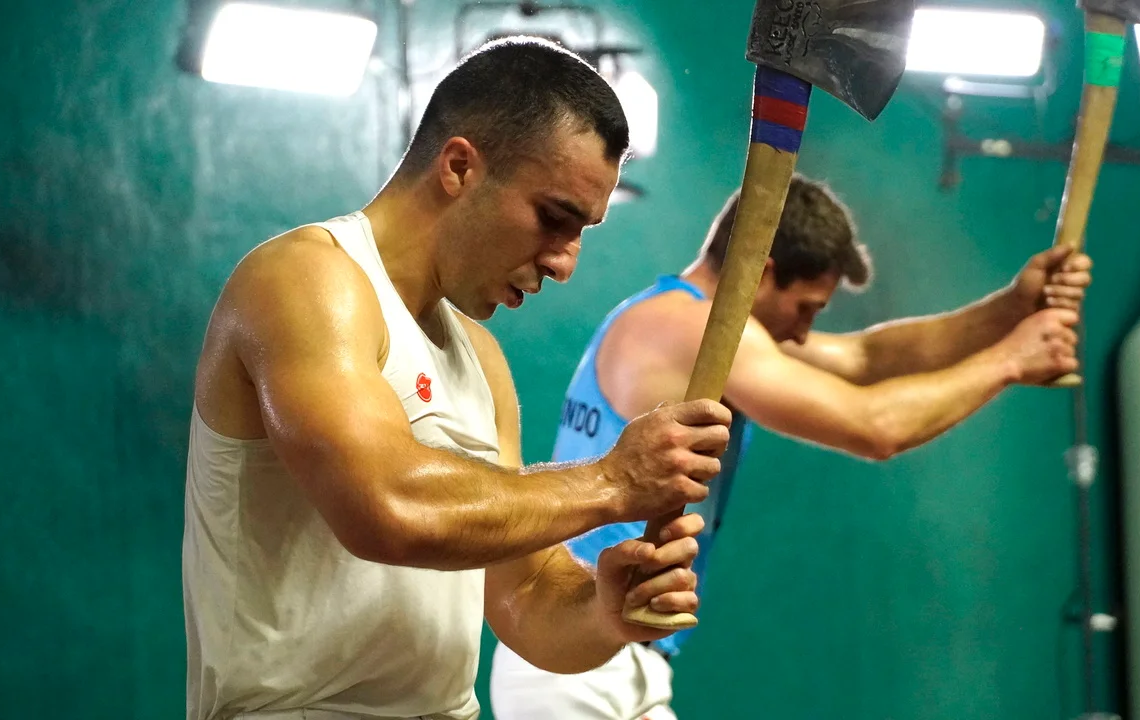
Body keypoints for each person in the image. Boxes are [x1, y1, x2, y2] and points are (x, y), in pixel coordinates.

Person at [181, 38, 735, 720]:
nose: (565, 263)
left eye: (582, 231)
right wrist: (614, 482)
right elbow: (387, 508)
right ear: (459, 167)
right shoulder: (306, 280)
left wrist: (602, 610)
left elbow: (525, 596)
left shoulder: (480, 358)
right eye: (553, 218)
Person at [489, 174, 1092, 719]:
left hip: (618, 653)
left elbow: (866, 358)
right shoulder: (694, 328)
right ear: (764, 271)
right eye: (805, 309)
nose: (804, 333)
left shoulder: (688, 320)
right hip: (576, 648)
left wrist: (1012, 309)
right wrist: (1011, 360)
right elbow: (874, 427)